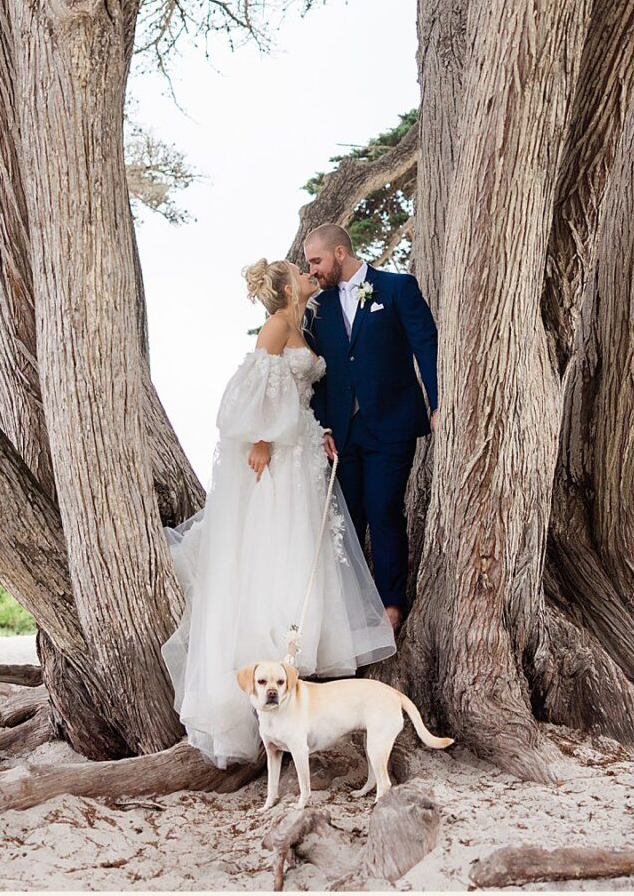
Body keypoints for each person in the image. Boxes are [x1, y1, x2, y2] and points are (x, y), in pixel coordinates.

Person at [160, 258, 397, 769]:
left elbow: (296, 392)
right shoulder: (275, 325)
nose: (310, 276)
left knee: (301, 546)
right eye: (302, 272)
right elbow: (252, 389)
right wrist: (264, 440)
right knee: (274, 548)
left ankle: (297, 681)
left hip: (305, 451)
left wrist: (321, 431)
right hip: (277, 458)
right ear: (289, 285)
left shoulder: (303, 323)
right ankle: (268, 674)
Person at [301, 224, 439, 632]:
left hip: (391, 423)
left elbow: (426, 346)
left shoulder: (398, 289)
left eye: (316, 261)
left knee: (384, 510)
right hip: (343, 433)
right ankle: (351, 611)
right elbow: (316, 374)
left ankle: (392, 605)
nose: (312, 270)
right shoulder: (318, 308)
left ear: (340, 253)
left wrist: (438, 403)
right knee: (350, 518)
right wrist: (320, 427)